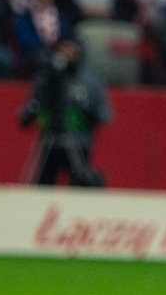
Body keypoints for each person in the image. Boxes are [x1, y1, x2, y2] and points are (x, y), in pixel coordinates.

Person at [18, 38, 110, 186]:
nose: (66, 54)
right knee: (44, 182)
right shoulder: (47, 77)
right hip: (49, 138)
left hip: (79, 141)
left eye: (70, 49)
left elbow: (104, 115)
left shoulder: (91, 79)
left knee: (79, 183)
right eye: (62, 49)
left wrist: (83, 106)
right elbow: (27, 112)